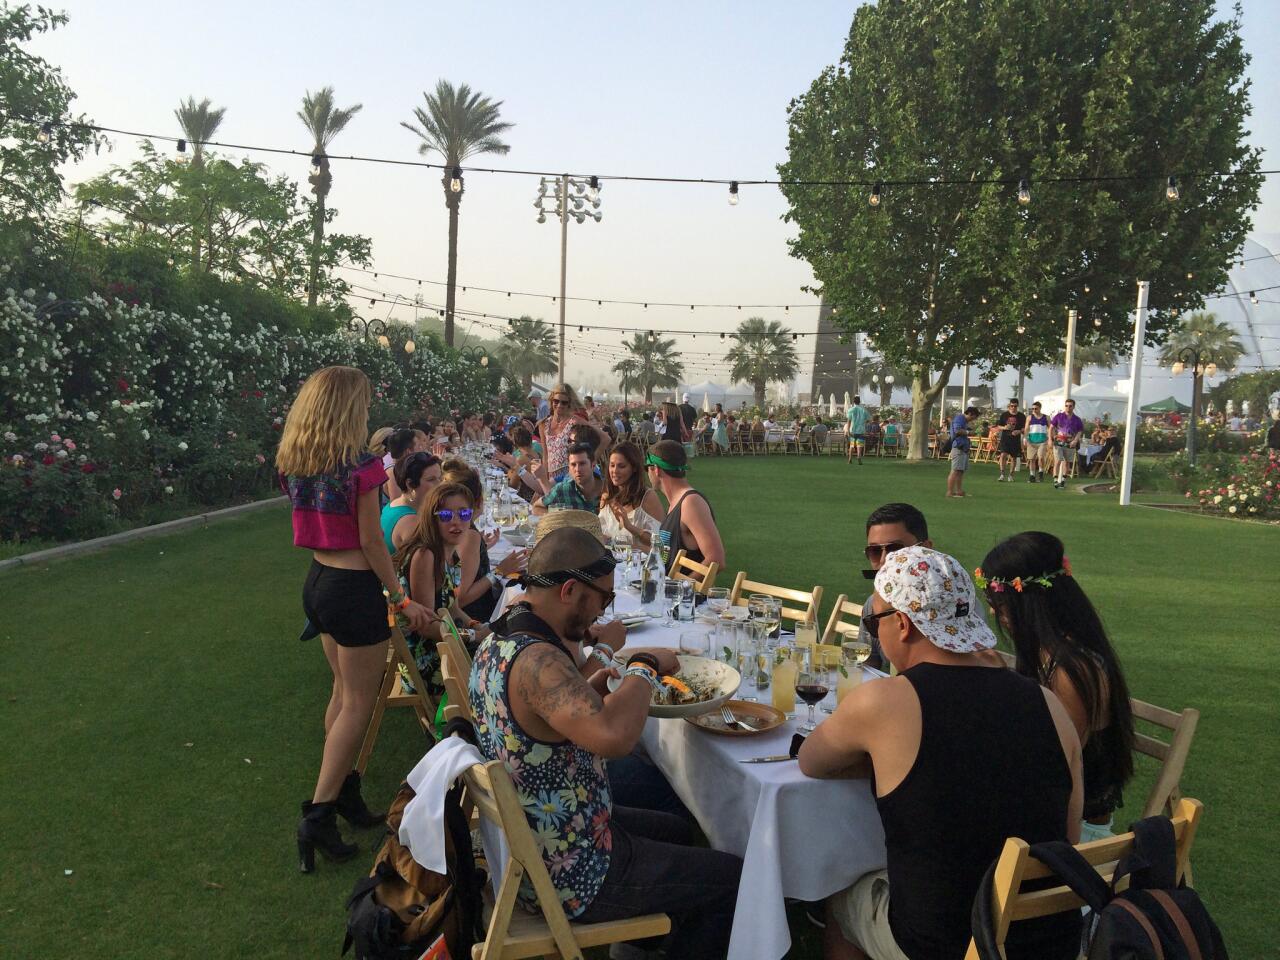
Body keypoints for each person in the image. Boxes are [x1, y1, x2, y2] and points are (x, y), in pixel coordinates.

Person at [469, 528, 742, 957]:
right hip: (569, 872)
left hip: (538, 843)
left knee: (676, 829)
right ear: (571, 590)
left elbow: (547, 722)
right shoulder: (539, 662)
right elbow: (614, 739)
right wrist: (644, 666)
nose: (602, 612)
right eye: (603, 598)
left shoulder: (502, 638)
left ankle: (636, 947)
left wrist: (593, 685)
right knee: (735, 881)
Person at [799, 546, 1083, 960]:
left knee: (843, 892)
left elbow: (812, 761)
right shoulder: (1047, 703)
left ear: (901, 623)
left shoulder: (886, 701)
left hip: (945, 943)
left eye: (871, 620)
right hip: (1048, 939)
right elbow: (1069, 836)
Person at [277, 366, 433, 872]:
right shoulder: (360, 469)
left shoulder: (298, 460)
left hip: (317, 584)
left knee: (342, 694)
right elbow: (371, 541)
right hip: (353, 588)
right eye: (362, 404)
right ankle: (318, 814)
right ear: (347, 409)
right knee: (359, 704)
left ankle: (343, 791)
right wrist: (400, 596)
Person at [978, 532, 1134, 842]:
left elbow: (1054, 769)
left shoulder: (1071, 671)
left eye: (998, 602)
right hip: (1047, 816)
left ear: (1025, 602)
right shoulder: (1049, 655)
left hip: (1072, 834)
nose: (995, 613)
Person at [394, 482, 494, 689]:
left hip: (447, 645)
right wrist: (474, 636)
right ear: (432, 518)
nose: (456, 522)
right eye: (446, 516)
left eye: (464, 514)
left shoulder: (451, 553)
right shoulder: (425, 555)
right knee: (502, 668)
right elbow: (426, 626)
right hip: (429, 660)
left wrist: (476, 626)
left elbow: (452, 607)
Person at [441, 460, 528, 624]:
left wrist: (480, 550)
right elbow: (460, 599)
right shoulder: (469, 536)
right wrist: (499, 572)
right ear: (479, 499)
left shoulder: (453, 528)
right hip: (474, 621)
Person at [855, 502, 934, 670]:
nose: (885, 560)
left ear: (926, 549)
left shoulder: (954, 604)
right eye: (875, 551)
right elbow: (866, 670)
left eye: (896, 550)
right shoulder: (872, 606)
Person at [647, 439, 724, 569]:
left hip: (681, 589)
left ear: (656, 469)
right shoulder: (676, 503)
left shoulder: (690, 502)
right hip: (665, 585)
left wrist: (678, 586)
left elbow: (716, 560)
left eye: (646, 468)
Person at [599, 440, 666, 549]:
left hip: (640, 562)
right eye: (612, 465)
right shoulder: (607, 495)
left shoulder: (648, 497)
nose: (614, 471)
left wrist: (629, 527)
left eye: (621, 466)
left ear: (634, 468)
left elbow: (660, 544)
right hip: (610, 560)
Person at [380, 452, 442, 553]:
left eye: (440, 478)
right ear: (410, 484)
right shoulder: (412, 522)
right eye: (431, 480)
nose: (439, 484)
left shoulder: (395, 504)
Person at [533, 442, 605, 515]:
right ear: (569, 468)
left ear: (593, 465)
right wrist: (561, 519)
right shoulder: (563, 489)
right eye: (573, 465)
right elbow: (537, 507)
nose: (577, 469)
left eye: (582, 464)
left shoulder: (608, 489)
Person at [1050, 398, 1084, 490]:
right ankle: (1055, 480)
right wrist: (1050, 438)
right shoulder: (1059, 416)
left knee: (1067, 462)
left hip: (1070, 443)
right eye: (1066, 405)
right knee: (1058, 460)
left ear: (1073, 407)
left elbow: (1080, 431)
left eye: (1070, 406)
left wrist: (1075, 441)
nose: (1068, 407)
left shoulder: (1077, 419)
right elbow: (1051, 427)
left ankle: (1063, 481)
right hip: (1058, 442)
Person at [946, 407, 978, 498]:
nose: (973, 419)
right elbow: (957, 430)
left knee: (960, 471)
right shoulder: (960, 418)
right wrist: (969, 432)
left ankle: (959, 491)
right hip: (958, 447)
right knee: (955, 470)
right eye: (974, 417)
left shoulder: (964, 421)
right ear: (970, 413)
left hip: (963, 448)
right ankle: (950, 492)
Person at [995, 399, 1026, 482]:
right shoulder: (1004, 415)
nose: (1013, 407)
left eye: (1015, 406)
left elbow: (1024, 429)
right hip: (1005, 439)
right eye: (1012, 406)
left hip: (1015, 440)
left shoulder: (1021, 416)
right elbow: (998, 426)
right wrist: (1005, 427)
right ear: (1009, 405)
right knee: (1003, 455)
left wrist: (1018, 431)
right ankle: (1002, 474)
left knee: (1014, 458)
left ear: (1017, 406)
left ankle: (1011, 475)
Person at [1024, 401, 1050, 483]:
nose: (1034, 410)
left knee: (1041, 457)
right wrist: (1025, 438)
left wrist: (1050, 438)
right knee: (1031, 459)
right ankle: (1032, 476)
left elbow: (1050, 428)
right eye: (1033, 409)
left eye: (1036, 408)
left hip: (1042, 441)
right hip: (1031, 441)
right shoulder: (1029, 417)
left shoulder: (1046, 417)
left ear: (1040, 408)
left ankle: (1041, 473)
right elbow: (1026, 429)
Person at [846, 395, 870, 464]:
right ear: (859, 402)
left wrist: (848, 430)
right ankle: (859, 456)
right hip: (861, 430)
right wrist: (863, 423)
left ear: (853, 402)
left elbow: (849, 421)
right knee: (860, 445)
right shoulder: (864, 410)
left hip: (853, 430)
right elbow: (869, 419)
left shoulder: (851, 410)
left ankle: (850, 459)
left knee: (852, 445)